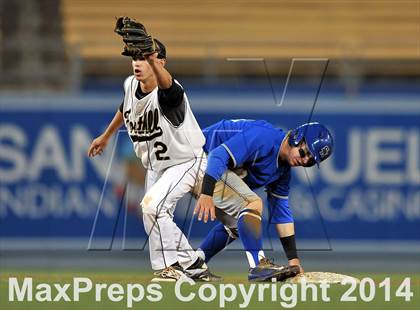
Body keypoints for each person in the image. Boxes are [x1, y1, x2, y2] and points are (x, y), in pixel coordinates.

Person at [88, 17, 215, 282]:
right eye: (134, 57)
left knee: (153, 208)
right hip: (157, 165)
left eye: (144, 58)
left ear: (159, 62)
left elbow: (168, 87)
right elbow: (125, 107)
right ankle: (191, 263)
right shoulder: (130, 84)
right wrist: (106, 135)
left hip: (185, 161)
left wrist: (153, 58)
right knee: (152, 214)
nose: (137, 62)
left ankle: (171, 267)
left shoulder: (171, 92)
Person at [193, 119, 333, 279]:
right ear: (297, 137)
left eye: (310, 162)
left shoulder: (282, 171)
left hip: (205, 163)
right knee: (252, 204)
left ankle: (195, 263)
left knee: (242, 222)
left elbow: (281, 213)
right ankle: (257, 266)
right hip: (196, 157)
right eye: (304, 152)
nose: (304, 160)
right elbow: (218, 155)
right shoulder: (264, 138)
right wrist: (206, 192)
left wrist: (293, 260)